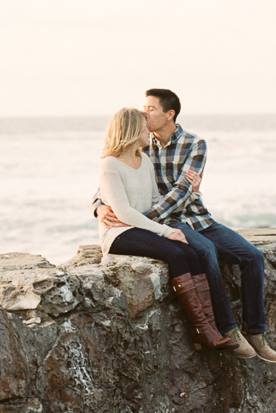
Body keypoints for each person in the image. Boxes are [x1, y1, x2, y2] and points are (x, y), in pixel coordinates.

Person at [95, 89, 276, 362]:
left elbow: (182, 191)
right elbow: (109, 182)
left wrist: (144, 217)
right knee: (206, 252)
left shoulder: (194, 144)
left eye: (151, 108)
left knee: (253, 257)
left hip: (195, 217)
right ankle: (228, 329)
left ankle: (256, 332)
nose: (144, 113)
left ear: (169, 114)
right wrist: (99, 206)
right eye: (143, 109)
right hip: (168, 221)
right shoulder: (141, 147)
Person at [98, 107, 234, 352]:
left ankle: (210, 329)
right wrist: (165, 231)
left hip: (142, 227)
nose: (146, 130)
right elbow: (124, 213)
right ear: (130, 131)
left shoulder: (145, 160)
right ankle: (201, 330)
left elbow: (153, 200)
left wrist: (192, 191)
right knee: (176, 253)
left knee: (190, 252)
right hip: (119, 233)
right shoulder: (110, 165)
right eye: (142, 126)